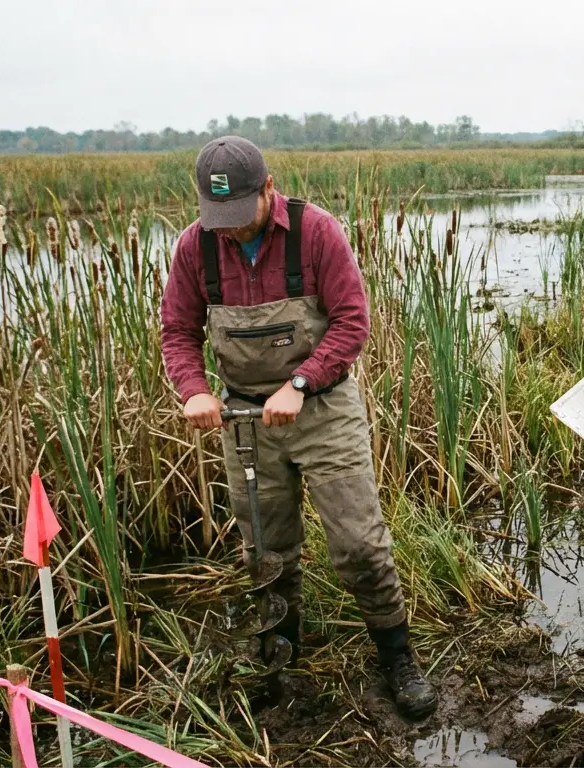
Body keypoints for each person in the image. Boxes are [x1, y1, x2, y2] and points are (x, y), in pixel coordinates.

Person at [159, 136, 438, 719]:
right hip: (243, 420)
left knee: (359, 545)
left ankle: (398, 659)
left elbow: (352, 323)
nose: (229, 230)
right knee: (266, 548)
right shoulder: (196, 247)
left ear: (267, 189)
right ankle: (280, 658)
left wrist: (302, 382)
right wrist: (195, 391)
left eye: (238, 216)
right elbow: (177, 332)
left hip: (324, 409)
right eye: (218, 219)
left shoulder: (317, 234)